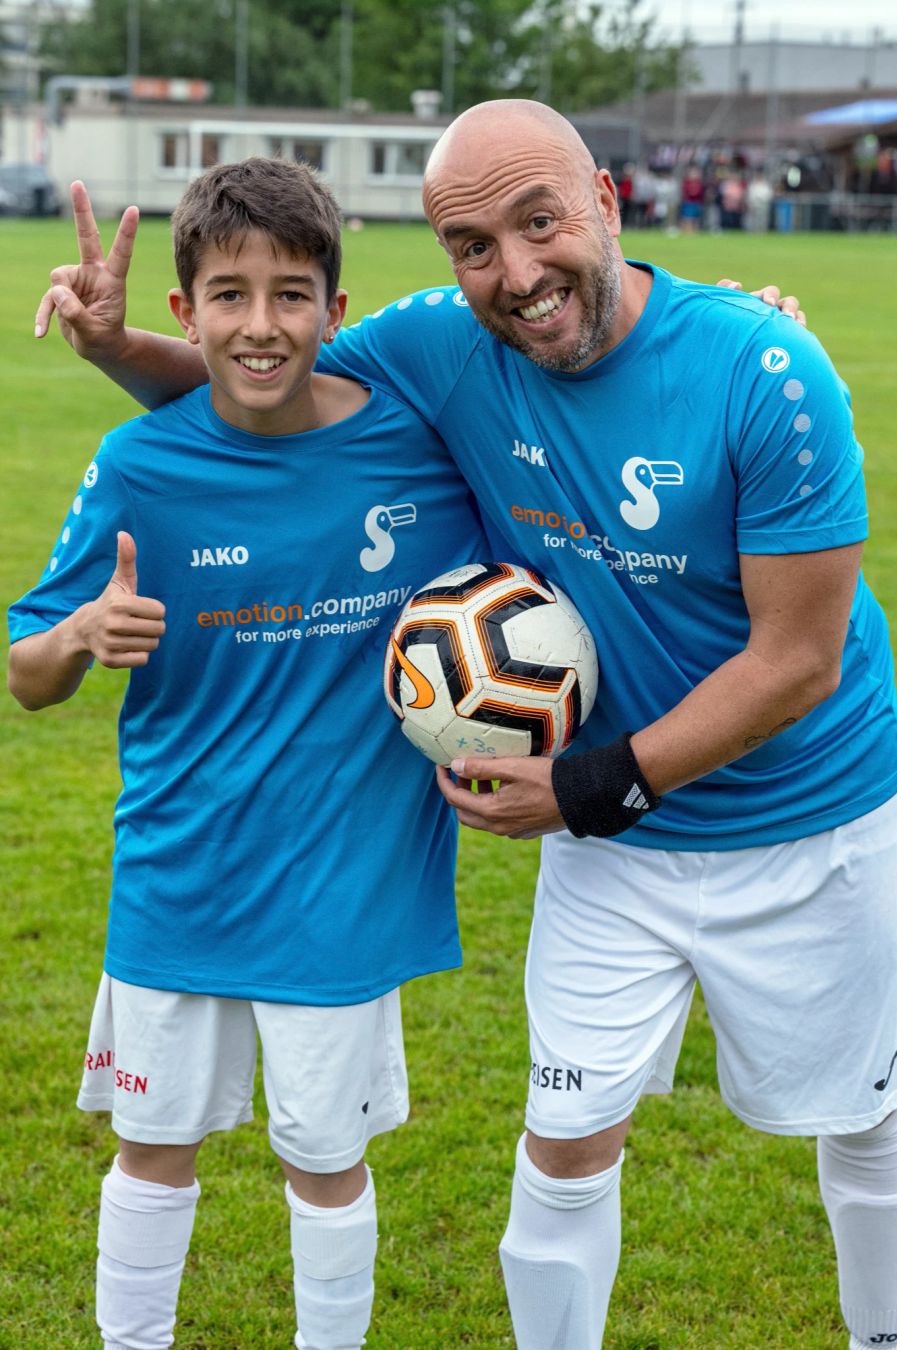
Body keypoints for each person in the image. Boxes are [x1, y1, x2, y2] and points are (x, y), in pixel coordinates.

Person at [30, 100, 896, 1350]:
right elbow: (268, 377)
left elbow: (800, 660)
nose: (516, 273)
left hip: (811, 817)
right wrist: (117, 348)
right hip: (619, 852)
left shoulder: (763, 372)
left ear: (604, 196)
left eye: (539, 222)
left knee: (867, 1121)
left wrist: (587, 789)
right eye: (472, 244)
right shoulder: (445, 341)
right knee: (562, 1142)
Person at [9, 156, 491, 1350]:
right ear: (187, 312)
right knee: (152, 1154)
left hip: (345, 888)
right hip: (180, 878)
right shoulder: (141, 468)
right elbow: (26, 673)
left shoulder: (420, 450)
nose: (261, 324)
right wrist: (77, 634)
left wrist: (752, 322)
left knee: (326, 1162)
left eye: (291, 294)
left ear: (338, 306)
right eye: (230, 295)